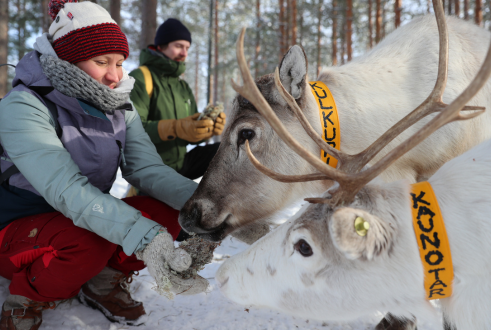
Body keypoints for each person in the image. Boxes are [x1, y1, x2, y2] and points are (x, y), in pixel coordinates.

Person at [0, 1, 207, 329]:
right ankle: (26, 298)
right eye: (101, 62)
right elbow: (67, 191)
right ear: (67, 59)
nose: (115, 75)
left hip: (79, 219)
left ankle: (102, 283)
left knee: (170, 211)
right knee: (89, 241)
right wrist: (145, 237)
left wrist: (212, 208)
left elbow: (147, 170)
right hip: (17, 229)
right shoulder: (25, 105)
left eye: (120, 62)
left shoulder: (118, 105)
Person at [129, 18, 226, 180]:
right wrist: (175, 128)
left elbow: (190, 136)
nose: (184, 53)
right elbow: (131, 131)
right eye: (178, 46)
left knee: (228, 150)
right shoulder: (140, 78)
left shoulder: (183, 86)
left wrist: (206, 130)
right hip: (150, 170)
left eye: (187, 48)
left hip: (180, 165)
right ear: (161, 46)